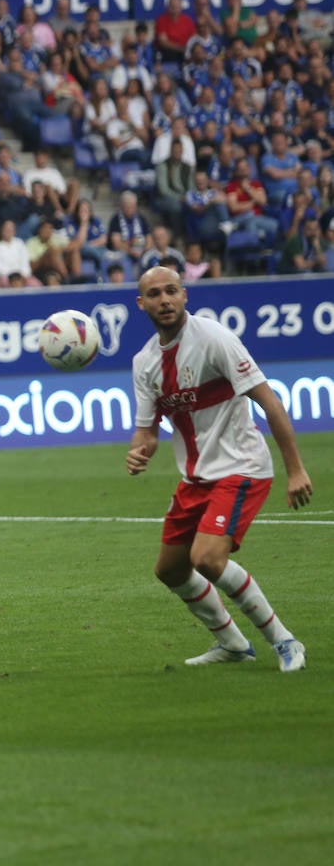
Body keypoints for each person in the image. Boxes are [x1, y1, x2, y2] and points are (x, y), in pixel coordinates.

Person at [127, 266, 311, 673]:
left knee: (208, 558)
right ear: (142, 304)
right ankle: (231, 643)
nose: (165, 300)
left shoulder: (214, 339)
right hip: (197, 477)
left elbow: (269, 401)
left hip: (242, 466)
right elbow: (147, 433)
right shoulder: (144, 363)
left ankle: (284, 640)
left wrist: (295, 469)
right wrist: (139, 452)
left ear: (185, 295)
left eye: (171, 291)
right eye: (155, 294)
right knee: (170, 570)